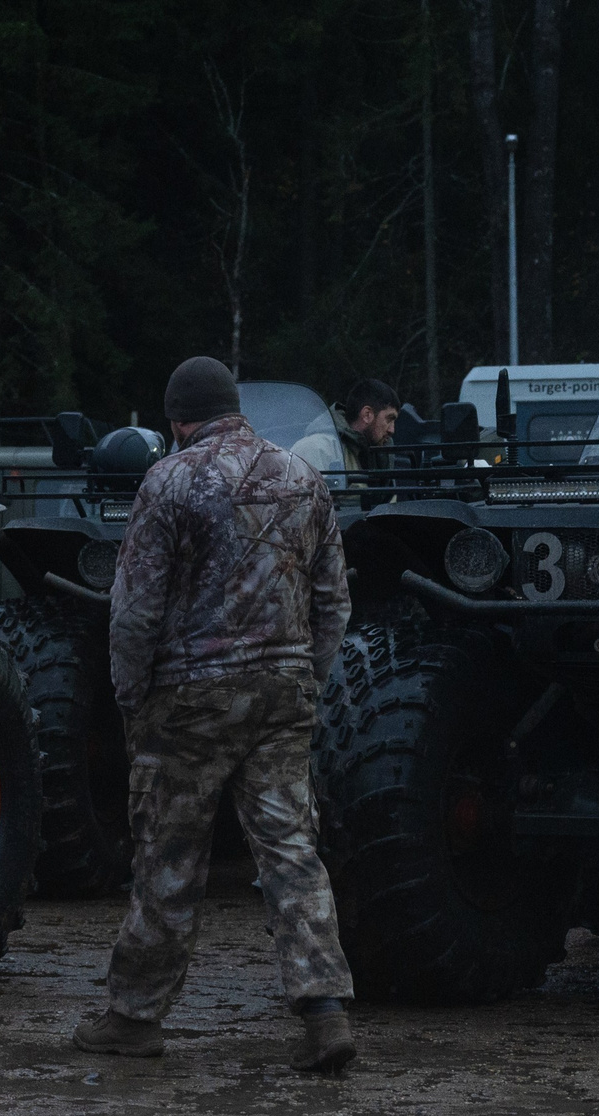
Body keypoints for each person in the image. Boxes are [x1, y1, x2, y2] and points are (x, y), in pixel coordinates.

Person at [72, 355, 359, 1073]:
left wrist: (133, 699)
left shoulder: (169, 479)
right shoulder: (304, 480)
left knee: (169, 856)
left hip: (190, 700)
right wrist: (306, 680)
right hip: (283, 691)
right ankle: (324, 1013)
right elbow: (334, 602)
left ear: (176, 419)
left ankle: (134, 1018)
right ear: (237, 409)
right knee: (292, 851)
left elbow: (133, 609)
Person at [337, 378, 401, 472]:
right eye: (389, 419)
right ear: (367, 415)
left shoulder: (379, 452)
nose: (392, 430)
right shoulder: (323, 449)